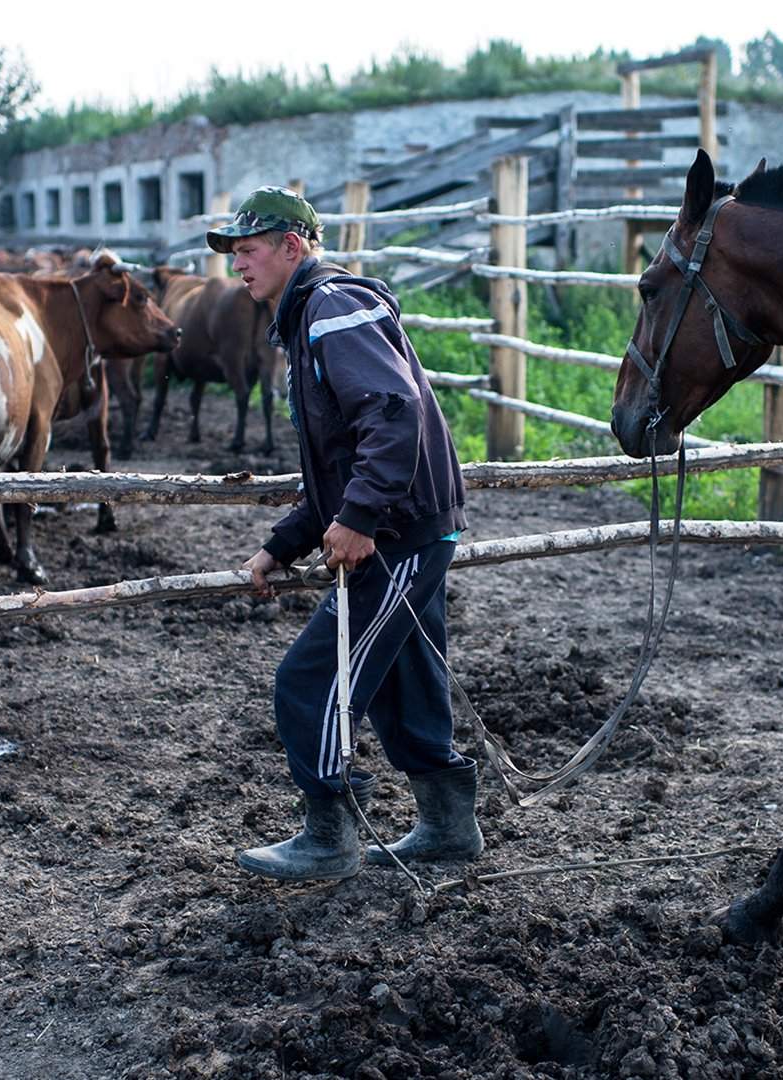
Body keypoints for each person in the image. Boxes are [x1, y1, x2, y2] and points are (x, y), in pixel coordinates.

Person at [207, 186, 483, 882]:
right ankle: (449, 825)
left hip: (395, 532)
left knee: (311, 681)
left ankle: (328, 835)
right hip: (410, 523)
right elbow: (337, 462)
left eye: (248, 251)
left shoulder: (331, 309)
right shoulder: (313, 317)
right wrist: (283, 543)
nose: (238, 266)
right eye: (234, 253)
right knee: (402, 678)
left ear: (291, 247)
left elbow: (393, 413)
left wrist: (360, 519)